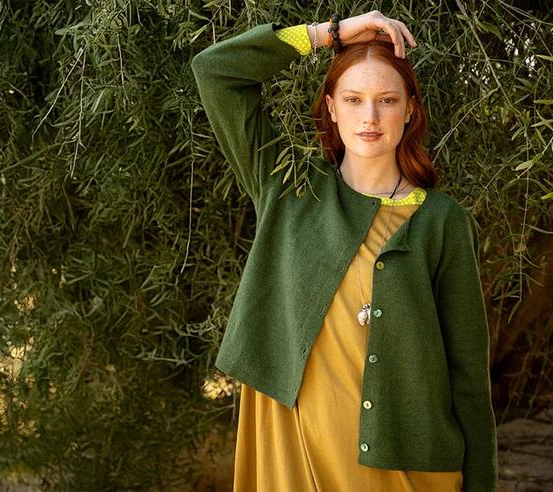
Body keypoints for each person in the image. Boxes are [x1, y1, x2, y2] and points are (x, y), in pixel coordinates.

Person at [191, 10, 497, 492]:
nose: (370, 117)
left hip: (403, 462)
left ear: (410, 109)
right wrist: (326, 35)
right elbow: (216, 71)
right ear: (331, 108)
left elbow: (468, 375)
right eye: (354, 100)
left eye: (387, 100)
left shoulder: (443, 222)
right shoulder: (288, 190)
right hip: (294, 441)